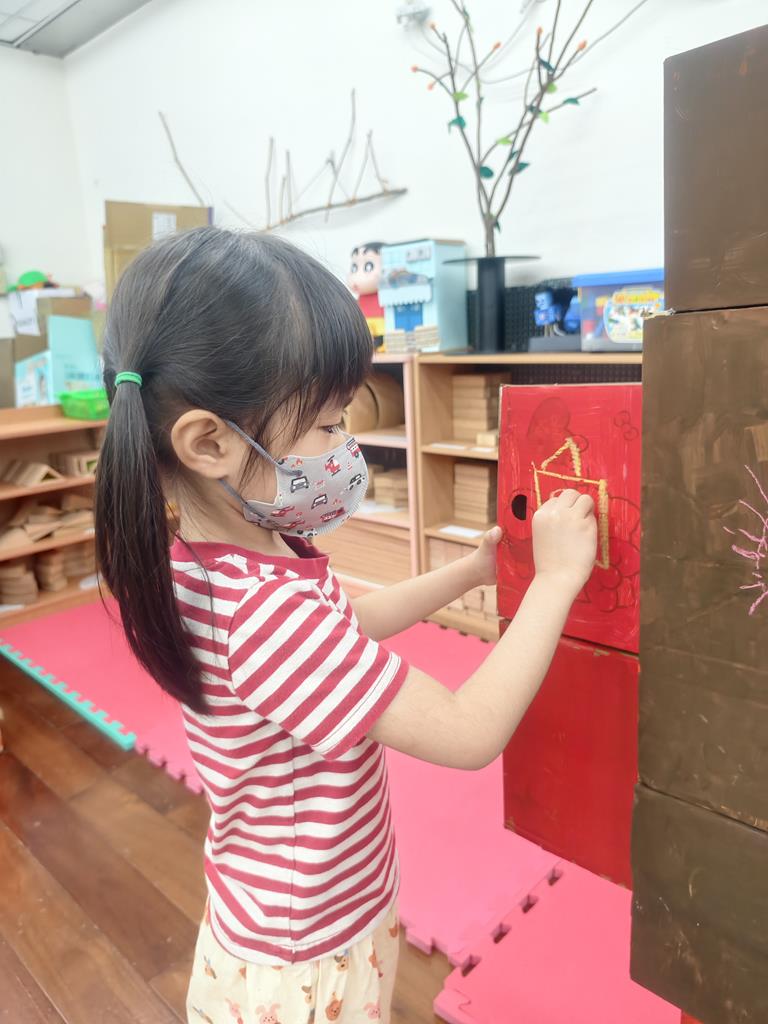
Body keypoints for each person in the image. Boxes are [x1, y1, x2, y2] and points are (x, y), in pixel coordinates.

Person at [95, 227, 596, 1024]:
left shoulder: (224, 557)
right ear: (209, 441)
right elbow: (468, 731)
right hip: (309, 948)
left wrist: (466, 573)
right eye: (328, 426)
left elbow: (341, 630)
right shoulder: (262, 614)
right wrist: (558, 581)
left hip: (279, 905)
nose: (346, 447)